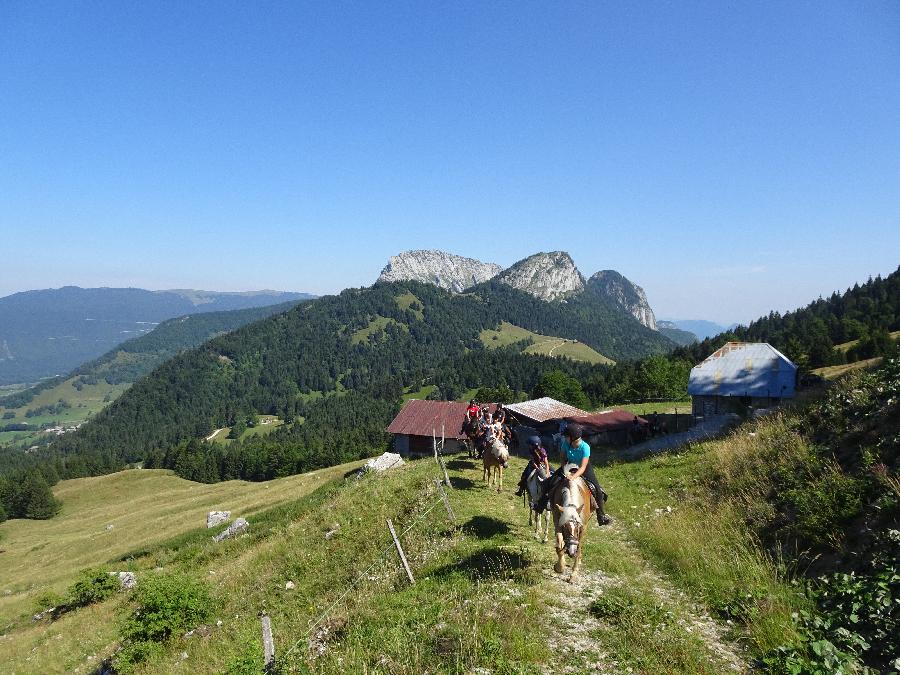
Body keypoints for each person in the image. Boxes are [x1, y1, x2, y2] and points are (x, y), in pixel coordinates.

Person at [536, 423, 611, 526]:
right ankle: (540, 505)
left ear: (572, 437)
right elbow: (562, 458)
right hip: (568, 466)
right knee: (549, 482)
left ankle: (601, 515)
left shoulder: (585, 447)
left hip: (583, 469)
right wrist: (565, 469)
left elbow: (583, 467)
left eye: (566, 436)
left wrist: (573, 477)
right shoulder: (566, 444)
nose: (565, 438)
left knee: (597, 490)